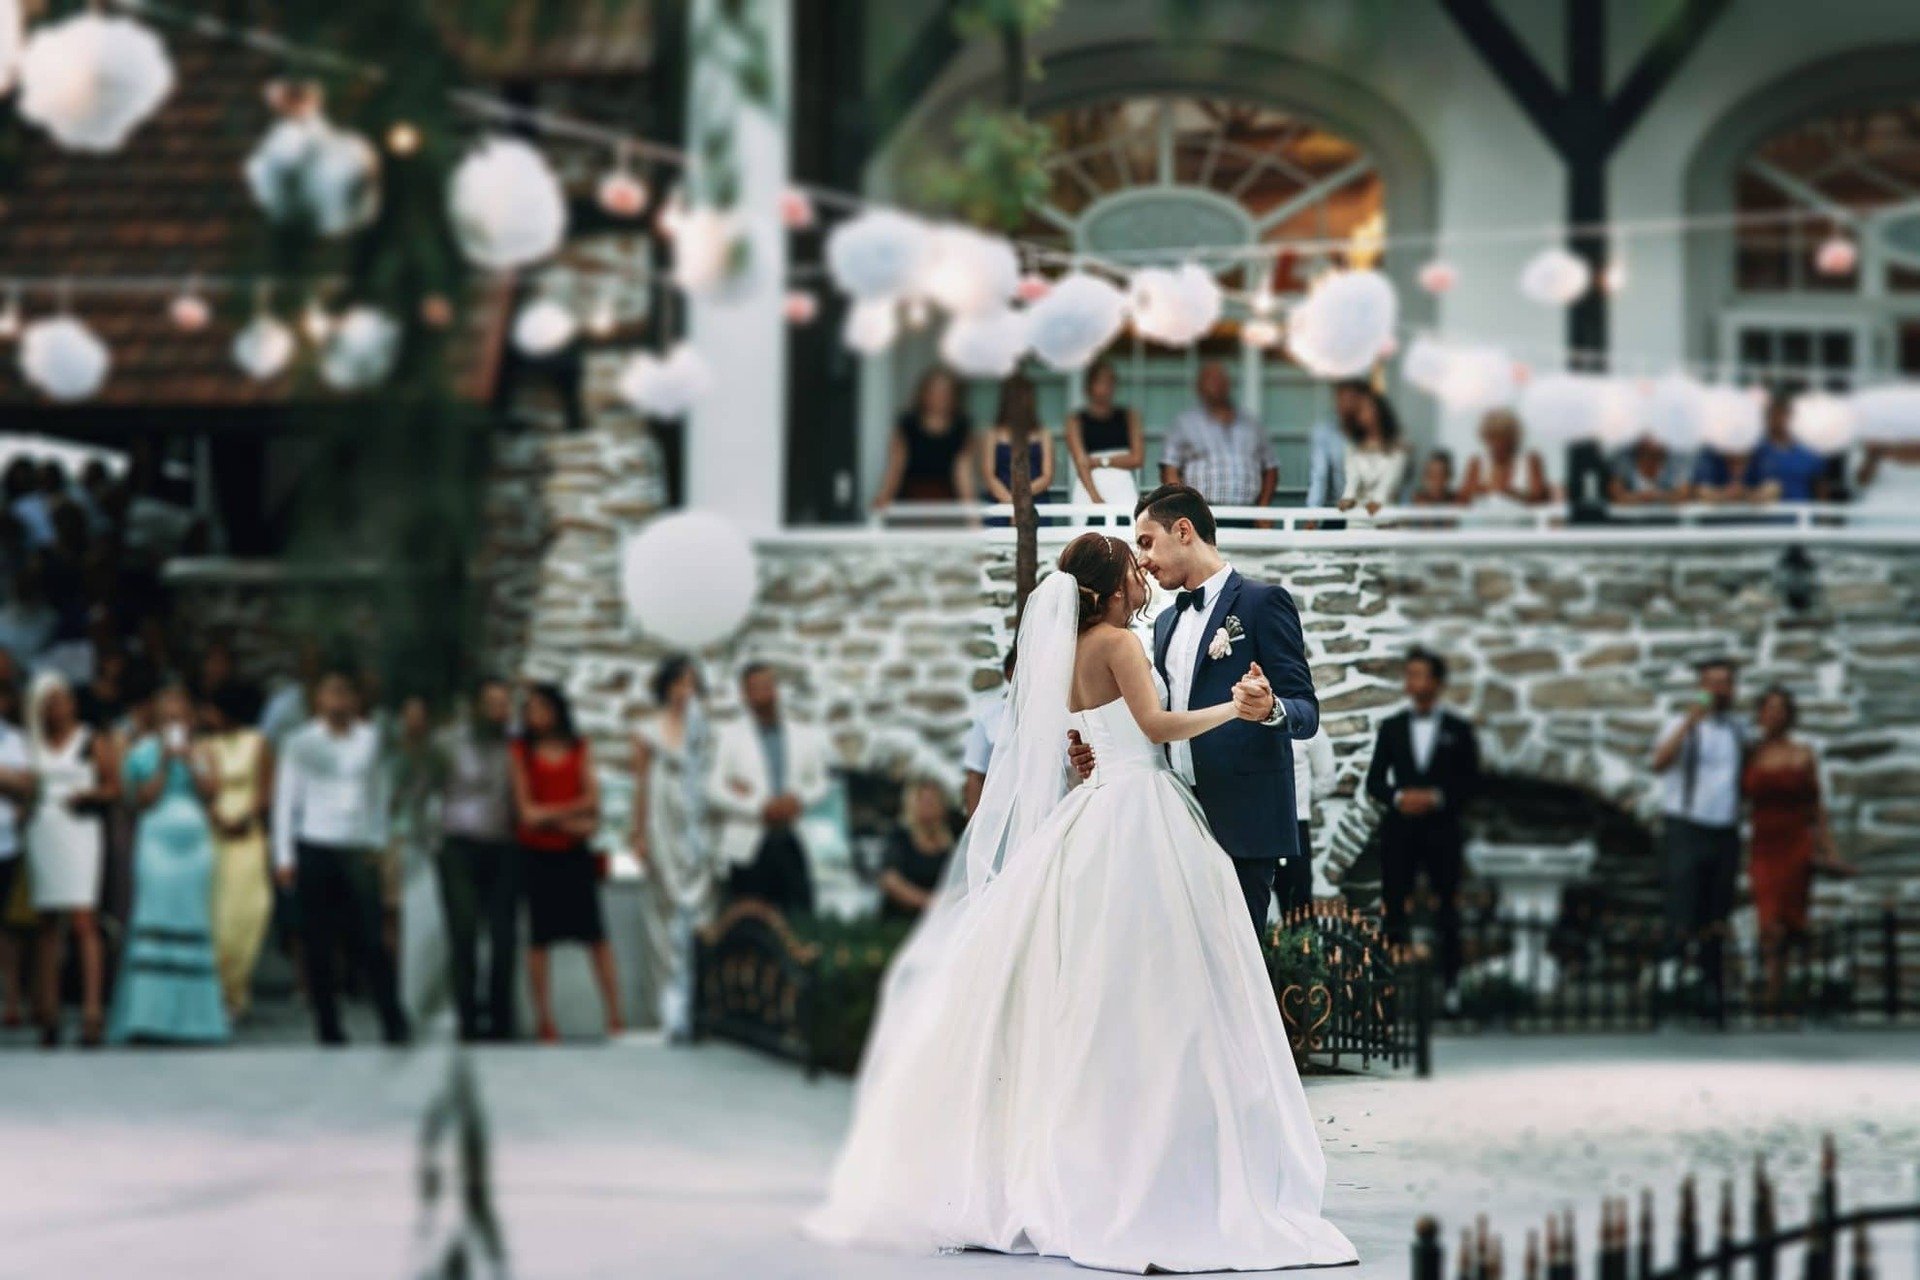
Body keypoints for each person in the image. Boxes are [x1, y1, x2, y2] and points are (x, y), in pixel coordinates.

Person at [805, 533, 1354, 1273]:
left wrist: (1090, 750)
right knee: (1163, 992)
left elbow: (1077, 738)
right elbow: (1156, 730)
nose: (1143, 573)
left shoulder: (1062, 652)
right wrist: (1234, 708)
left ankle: (1073, 1155)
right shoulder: (1122, 642)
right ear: (1110, 585)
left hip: (1093, 808)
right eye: (1134, 565)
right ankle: (1161, 1161)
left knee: (1084, 988)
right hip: (1138, 809)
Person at [1070, 484, 1322, 937]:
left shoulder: (1263, 603)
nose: (1143, 560)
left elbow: (1307, 711)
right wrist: (1098, 750)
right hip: (1168, 821)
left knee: (1235, 967)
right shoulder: (1163, 623)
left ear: (1183, 530)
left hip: (1243, 823)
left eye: (1147, 542)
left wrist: (1270, 709)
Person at [273, 666, 411, 1046]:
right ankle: (328, 1024)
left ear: (355, 699)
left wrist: (379, 842)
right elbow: (286, 802)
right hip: (315, 841)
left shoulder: (370, 740)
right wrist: (283, 855)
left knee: (370, 938)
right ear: (318, 699)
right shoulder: (301, 742)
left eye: (344, 693)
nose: (338, 702)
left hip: (357, 846)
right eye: (330, 693)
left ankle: (392, 1020)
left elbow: (378, 794)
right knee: (318, 942)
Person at [108, 681, 229, 1044]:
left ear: (191, 718)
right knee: (155, 917)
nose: (174, 719)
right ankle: (150, 1016)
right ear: (157, 719)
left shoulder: (205, 752)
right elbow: (141, 800)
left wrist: (190, 760)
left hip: (195, 848)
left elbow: (211, 794)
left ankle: (195, 1020)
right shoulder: (141, 753)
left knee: (192, 918)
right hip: (156, 843)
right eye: (167, 714)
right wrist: (163, 760)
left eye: (181, 713)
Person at [1364, 648, 1481, 1005]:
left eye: (1419, 675)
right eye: (1409, 675)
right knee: (1394, 907)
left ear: (1437, 682)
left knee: (1447, 909)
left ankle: (1451, 991)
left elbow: (1472, 782)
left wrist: (1437, 797)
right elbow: (1374, 783)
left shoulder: (1459, 731)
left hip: (1443, 833)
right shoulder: (1393, 727)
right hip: (1400, 832)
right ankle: (1388, 994)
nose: (1412, 682)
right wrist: (1401, 798)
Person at [510, 682, 622, 1043]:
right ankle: (545, 1021)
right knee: (539, 939)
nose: (535, 716)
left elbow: (595, 802)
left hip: (575, 855)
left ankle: (615, 1017)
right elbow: (527, 813)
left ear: (557, 710)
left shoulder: (580, 746)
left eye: (541, 708)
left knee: (596, 935)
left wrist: (553, 817)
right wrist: (571, 820)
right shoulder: (520, 751)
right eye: (529, 710)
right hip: (536, 854)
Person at [1649, 658, 1747, 1022]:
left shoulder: (1738, 731)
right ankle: (1666, 991)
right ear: (1700, 687)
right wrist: (1690, 722)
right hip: (1685, 826)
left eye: (1726, 683)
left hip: (1725, 830)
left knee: (1716, 915)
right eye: (1712, 683)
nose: (1719, 691)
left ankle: (1710, 993)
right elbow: (1658, 764)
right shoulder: (1679, 725)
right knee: (1680, 913)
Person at [24, 671, 118, 1046]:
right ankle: (48, 1010)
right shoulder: (33, 744)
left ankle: (92, 1012)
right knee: (48, 921)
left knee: (83, 920)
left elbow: (113, 787)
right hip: (44, 828)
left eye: (62, 700)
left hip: (79, 829)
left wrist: (89, 796)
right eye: (49, 701)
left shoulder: (89, 739)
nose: (57, 708)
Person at [1742, 686, 1846, 1013]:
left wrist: (1829, 851)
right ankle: (1776, 990)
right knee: (1768, 919)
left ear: (1790, 715)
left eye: (1781, 709)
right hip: (1764, 843)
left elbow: (1816, 808)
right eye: (1769, 708)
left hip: (1794, 841)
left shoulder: (1803, 754)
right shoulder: (1750, 753)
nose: (1775, 715)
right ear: (1760, 714)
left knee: (1790, 920)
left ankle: (1782, 991)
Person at [631, 656, 715, 1042]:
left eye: (692, 684)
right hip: (663, 821)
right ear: (666, 687)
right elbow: (641, 784)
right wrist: (638, 833)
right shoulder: (648, 730)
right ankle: (668, 1005)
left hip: (696, 824)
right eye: (679, 683)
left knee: (700, 913)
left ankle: (700, 1003)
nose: (685, 691)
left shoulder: (705, 730)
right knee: (664, 910)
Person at [708, 663, 833, 918]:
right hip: (748, 841)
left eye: (768, 685)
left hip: (790, 836)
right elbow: (712, 787)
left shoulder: (804, 734)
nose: (764, 693)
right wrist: (758, 806)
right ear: (745, 695)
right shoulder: (729, 736)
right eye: (756, 688)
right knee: (748, 923)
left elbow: (821, 782)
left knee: (799, 917)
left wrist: (797, 800)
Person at [435, 677, 522, 1043]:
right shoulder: (448, 743)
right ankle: (467, 1020)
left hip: (504, 845)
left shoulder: (516, 743)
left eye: (504, 704)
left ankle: (501, 1020)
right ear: (475, 707)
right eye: (491, 703)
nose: (498, 711)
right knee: (464, 933)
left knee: (504, 936)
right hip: (459, 845)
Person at [201, 683, 274, 1022]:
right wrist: (217, 816)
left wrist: (245, 817)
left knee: (250, 912)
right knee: (217, 916)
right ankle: (219, 993)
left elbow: (266, 790)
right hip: (215, 833)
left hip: (249, 836)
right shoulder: (203, 746)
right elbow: (202, 789)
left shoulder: (258, 743)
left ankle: (238, 985)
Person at [1159, 361, 1277, 512]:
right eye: (1211, 380)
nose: (1217, 385)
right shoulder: (1185, 423)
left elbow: (1270, 467)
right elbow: (1169, 469)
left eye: (1221, 380)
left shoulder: (1251, 424)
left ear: (1228, 384)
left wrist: (1263, 509)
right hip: (1202, 513)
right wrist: (1183, 511)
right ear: (1199, 387)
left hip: (1247, 513)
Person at [871, 368, 976, 510]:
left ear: (953, 396)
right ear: (924, 393)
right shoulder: (908, 424)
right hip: (910, 499)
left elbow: (963, 472)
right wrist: (883, 499)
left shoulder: (961, 427)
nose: (939, 398)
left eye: (945, 393)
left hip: (947, 502)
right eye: (934, 392)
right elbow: (896, 466)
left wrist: (971, 512)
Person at [1063, 359, 1144, 518]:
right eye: (1101, 382)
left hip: (1122, 486)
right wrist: (1095, 497)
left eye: (1110, 382)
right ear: (1089, 386)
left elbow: (1137, 458)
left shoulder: (1129, 417)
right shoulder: (1076, 420)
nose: (1106, 388)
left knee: (1125, 534)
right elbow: (1081, 462)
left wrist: (1100, 461)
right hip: (1089, 488)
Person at [980, 373, 1054, 527]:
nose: (1020, 403)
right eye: (1015, 398)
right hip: (999, 500)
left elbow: (1047, 477)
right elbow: (988, 474)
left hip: (1035, 499)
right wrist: (1010, 504)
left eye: (1025, 397)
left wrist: (1019, 499)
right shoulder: (993, 433)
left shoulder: (1043, 433)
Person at [876, 778, 955, 922]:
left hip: (943, 920)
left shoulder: (953, 837)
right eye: (924, 801)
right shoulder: (900, 837)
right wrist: (929, 902)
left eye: (934, 801)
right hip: (903, 920)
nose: (929, 806)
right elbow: (890, 881)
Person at [1286, 726, 1337, 918]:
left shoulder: (1311, 729)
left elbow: (1326, 780)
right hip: (1256, 824)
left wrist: (1300, 800)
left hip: (1295, 823)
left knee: (1298, 899)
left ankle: (1300, 945)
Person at [1336, 385, 1409, 516]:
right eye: (1359, 410)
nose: (1364, 413)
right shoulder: (1353, 449)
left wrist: (1378, 500)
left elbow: (1391, 480)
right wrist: (1348, 498)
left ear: (1379, 411)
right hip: (1357, 517)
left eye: (1368, 408)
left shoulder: (1397, 447)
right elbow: (1352, 480)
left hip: (1385, 516)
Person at [960, 649, 1016, 818]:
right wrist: (974, 827)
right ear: (1009, 673)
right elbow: (975, 776)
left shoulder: (1055, 716)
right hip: (999, 817)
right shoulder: (988, 718)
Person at [1748, 390, 1829, 503]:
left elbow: (1820, 487)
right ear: (1767, 418)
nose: (1779, 420)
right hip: (1765, 519)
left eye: (1783, 415)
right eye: (1774, 415)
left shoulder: (1809, 453)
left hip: (1801, 517)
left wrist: (1823, 518)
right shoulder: (1755, 452)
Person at [1458, 409, 1552, 508]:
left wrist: (1505, 493)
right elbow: (1463, 500)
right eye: (1493, 437)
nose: (1497, 443)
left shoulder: (1530, 460)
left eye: (1502, 437)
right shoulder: (1476, 462)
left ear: (1513, 438)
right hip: (1483, 521)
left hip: (1521, 520)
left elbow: (1539, 499)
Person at [1304, 380, 1365, 511]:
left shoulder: (1373, 433)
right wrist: (1312, 515)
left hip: (1369, 511)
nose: (1345, 405)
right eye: (1340, 399)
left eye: (1351, 399)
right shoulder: (1324, 432)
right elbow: (1319, 475)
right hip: (1339, 510)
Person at [1608, 436, 1689, 505]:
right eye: (1646, 457)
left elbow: (1683, 494)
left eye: (1655, 458)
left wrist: (1657, 496)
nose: (1650, 462)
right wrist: (1640, 497)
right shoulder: (1625, 466)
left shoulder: (1672, 467)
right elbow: (1615, 494)